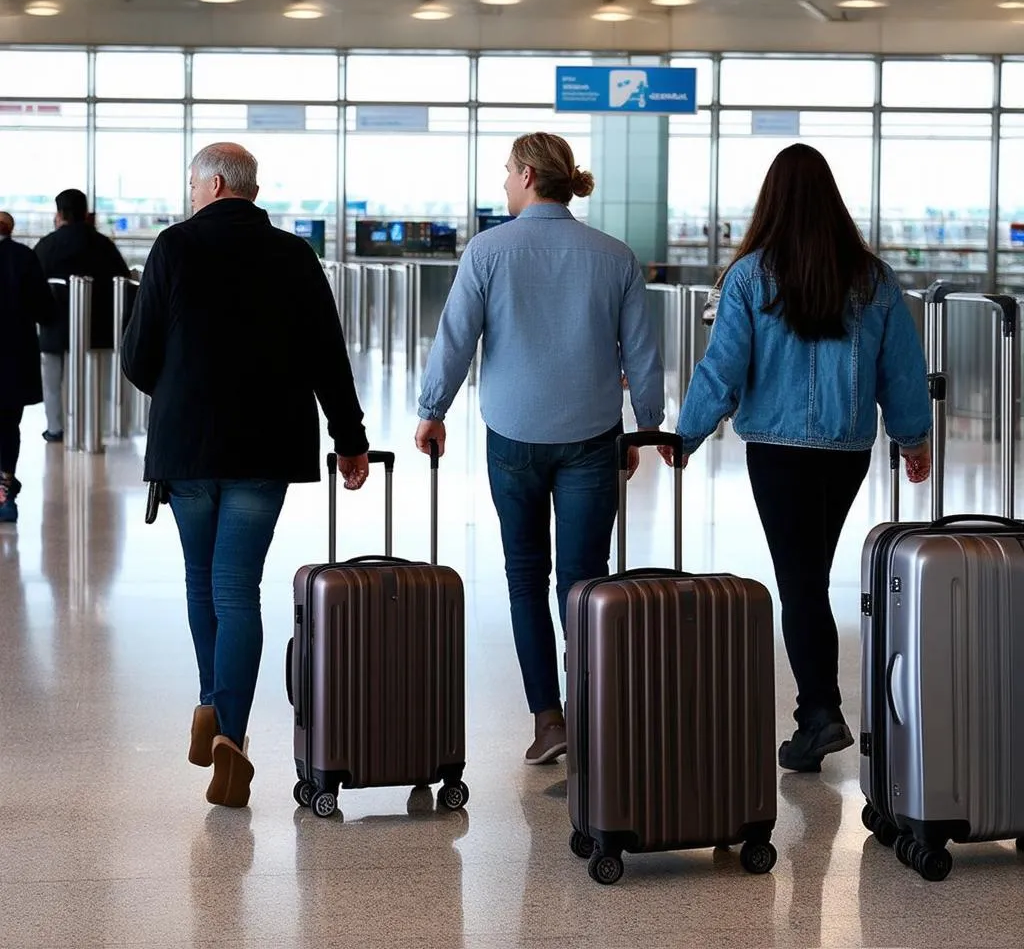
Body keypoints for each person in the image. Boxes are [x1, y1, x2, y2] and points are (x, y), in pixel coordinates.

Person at [121, 142, 371, 808]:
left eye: (192, 184)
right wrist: (352, 440)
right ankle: (228, 730)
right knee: (239, 591)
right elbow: (327, 355)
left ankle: (212, 702)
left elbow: (138, 357)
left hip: (189, 447)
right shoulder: (293, 255)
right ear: (249, 191)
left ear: (211, 185)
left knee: (200, 584)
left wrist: (176, 386)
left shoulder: (173, 248)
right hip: (266, 448)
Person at [670, 143, 931, 773]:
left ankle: (820, 714)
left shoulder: (751, 276)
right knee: (810, 576)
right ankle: (819, 714)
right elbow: (901, 369)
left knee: (802, 582)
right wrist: (912, 436)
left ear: (772, 201)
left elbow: (722, 369)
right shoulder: (871, 278)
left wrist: (685, 435)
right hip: (845, 452)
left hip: (779, 453)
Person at [414, 132, 665, 765]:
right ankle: (595, 719)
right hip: (593, 438)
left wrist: (431, 411)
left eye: (506, 172)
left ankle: (548, 721)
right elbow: (642, 353)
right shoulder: (615, 256)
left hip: (514, 438)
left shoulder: (489, 251)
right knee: (584, 581)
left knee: (526, 578)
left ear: (528, 175)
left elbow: (454, 339)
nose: (503, 183)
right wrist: (646, 426)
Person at [34, 189, 130, 443]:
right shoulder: (102, 244)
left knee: (52, 380)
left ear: (60, 213)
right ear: (86, 213)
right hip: (98, 328)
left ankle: (55, 428)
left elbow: (33, 283)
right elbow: (123, 278)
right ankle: (94, 424)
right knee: (94, 378)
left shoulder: (47, 245)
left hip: (54, 326)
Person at [0, 218, 55, 523]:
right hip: (12, 359)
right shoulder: (21, 257)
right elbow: (44, 309)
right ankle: (4, 490)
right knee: (8, 426)